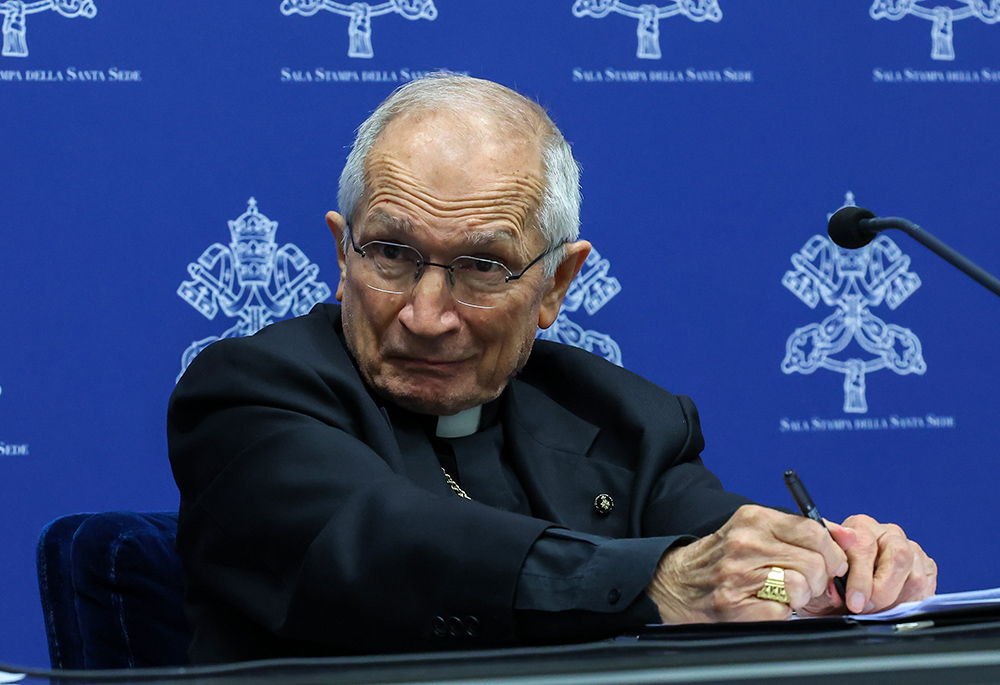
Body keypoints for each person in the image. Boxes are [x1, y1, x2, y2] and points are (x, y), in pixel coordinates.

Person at [167, 73, 936, 663]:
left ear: (556, 285)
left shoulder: (622, 418)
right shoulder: (246, 395)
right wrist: (656, 580)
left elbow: (723, 561)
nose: (427, 314)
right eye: (392, 254)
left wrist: (816, 578)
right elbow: (383, 548)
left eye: (481, 267)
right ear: (342, 253)